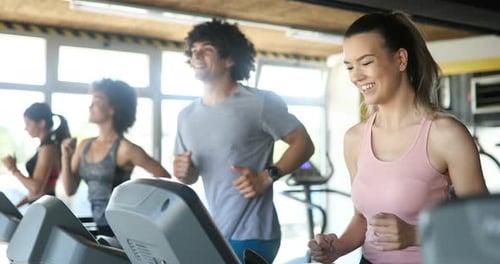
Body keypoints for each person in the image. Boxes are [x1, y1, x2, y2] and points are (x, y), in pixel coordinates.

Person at [307, 12, 489, 264]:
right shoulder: (355, 138)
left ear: (401, 59)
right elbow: (363, 220)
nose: (355, 76)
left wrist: (415, 234)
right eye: (350, 66)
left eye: (366, 62)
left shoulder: (445, 134)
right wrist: (336, 248)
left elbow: (485, 224)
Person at [173, 19, 315, 263]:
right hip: (214, 231)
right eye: (193, 50)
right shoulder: (185, 116)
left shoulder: (259, 103)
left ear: (229, 59)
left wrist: (267, 176)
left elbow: (303, 143)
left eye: (207, 49)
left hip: (254, 233)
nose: (196, 55)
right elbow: (190, 177)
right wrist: (184, 172)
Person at [60, 78, 171, 236]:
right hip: (99, 226)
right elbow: (70, 189)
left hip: (122, 228)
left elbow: (164, 177)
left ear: (112, 108)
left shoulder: (127, 149)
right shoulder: (84, 145)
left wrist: (138, 203)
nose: (90, 106)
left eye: (97, 101)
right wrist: (65, 157)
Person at [2, 102, 71, 207]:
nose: (26, 128)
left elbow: (36, 188)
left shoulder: (48, 148)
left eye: (28, 123)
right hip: (40, 205)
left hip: (45, 206)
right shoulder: (46, 147)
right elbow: (35, 192)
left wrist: (13, 169)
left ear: (41, 123)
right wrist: (15, 207)